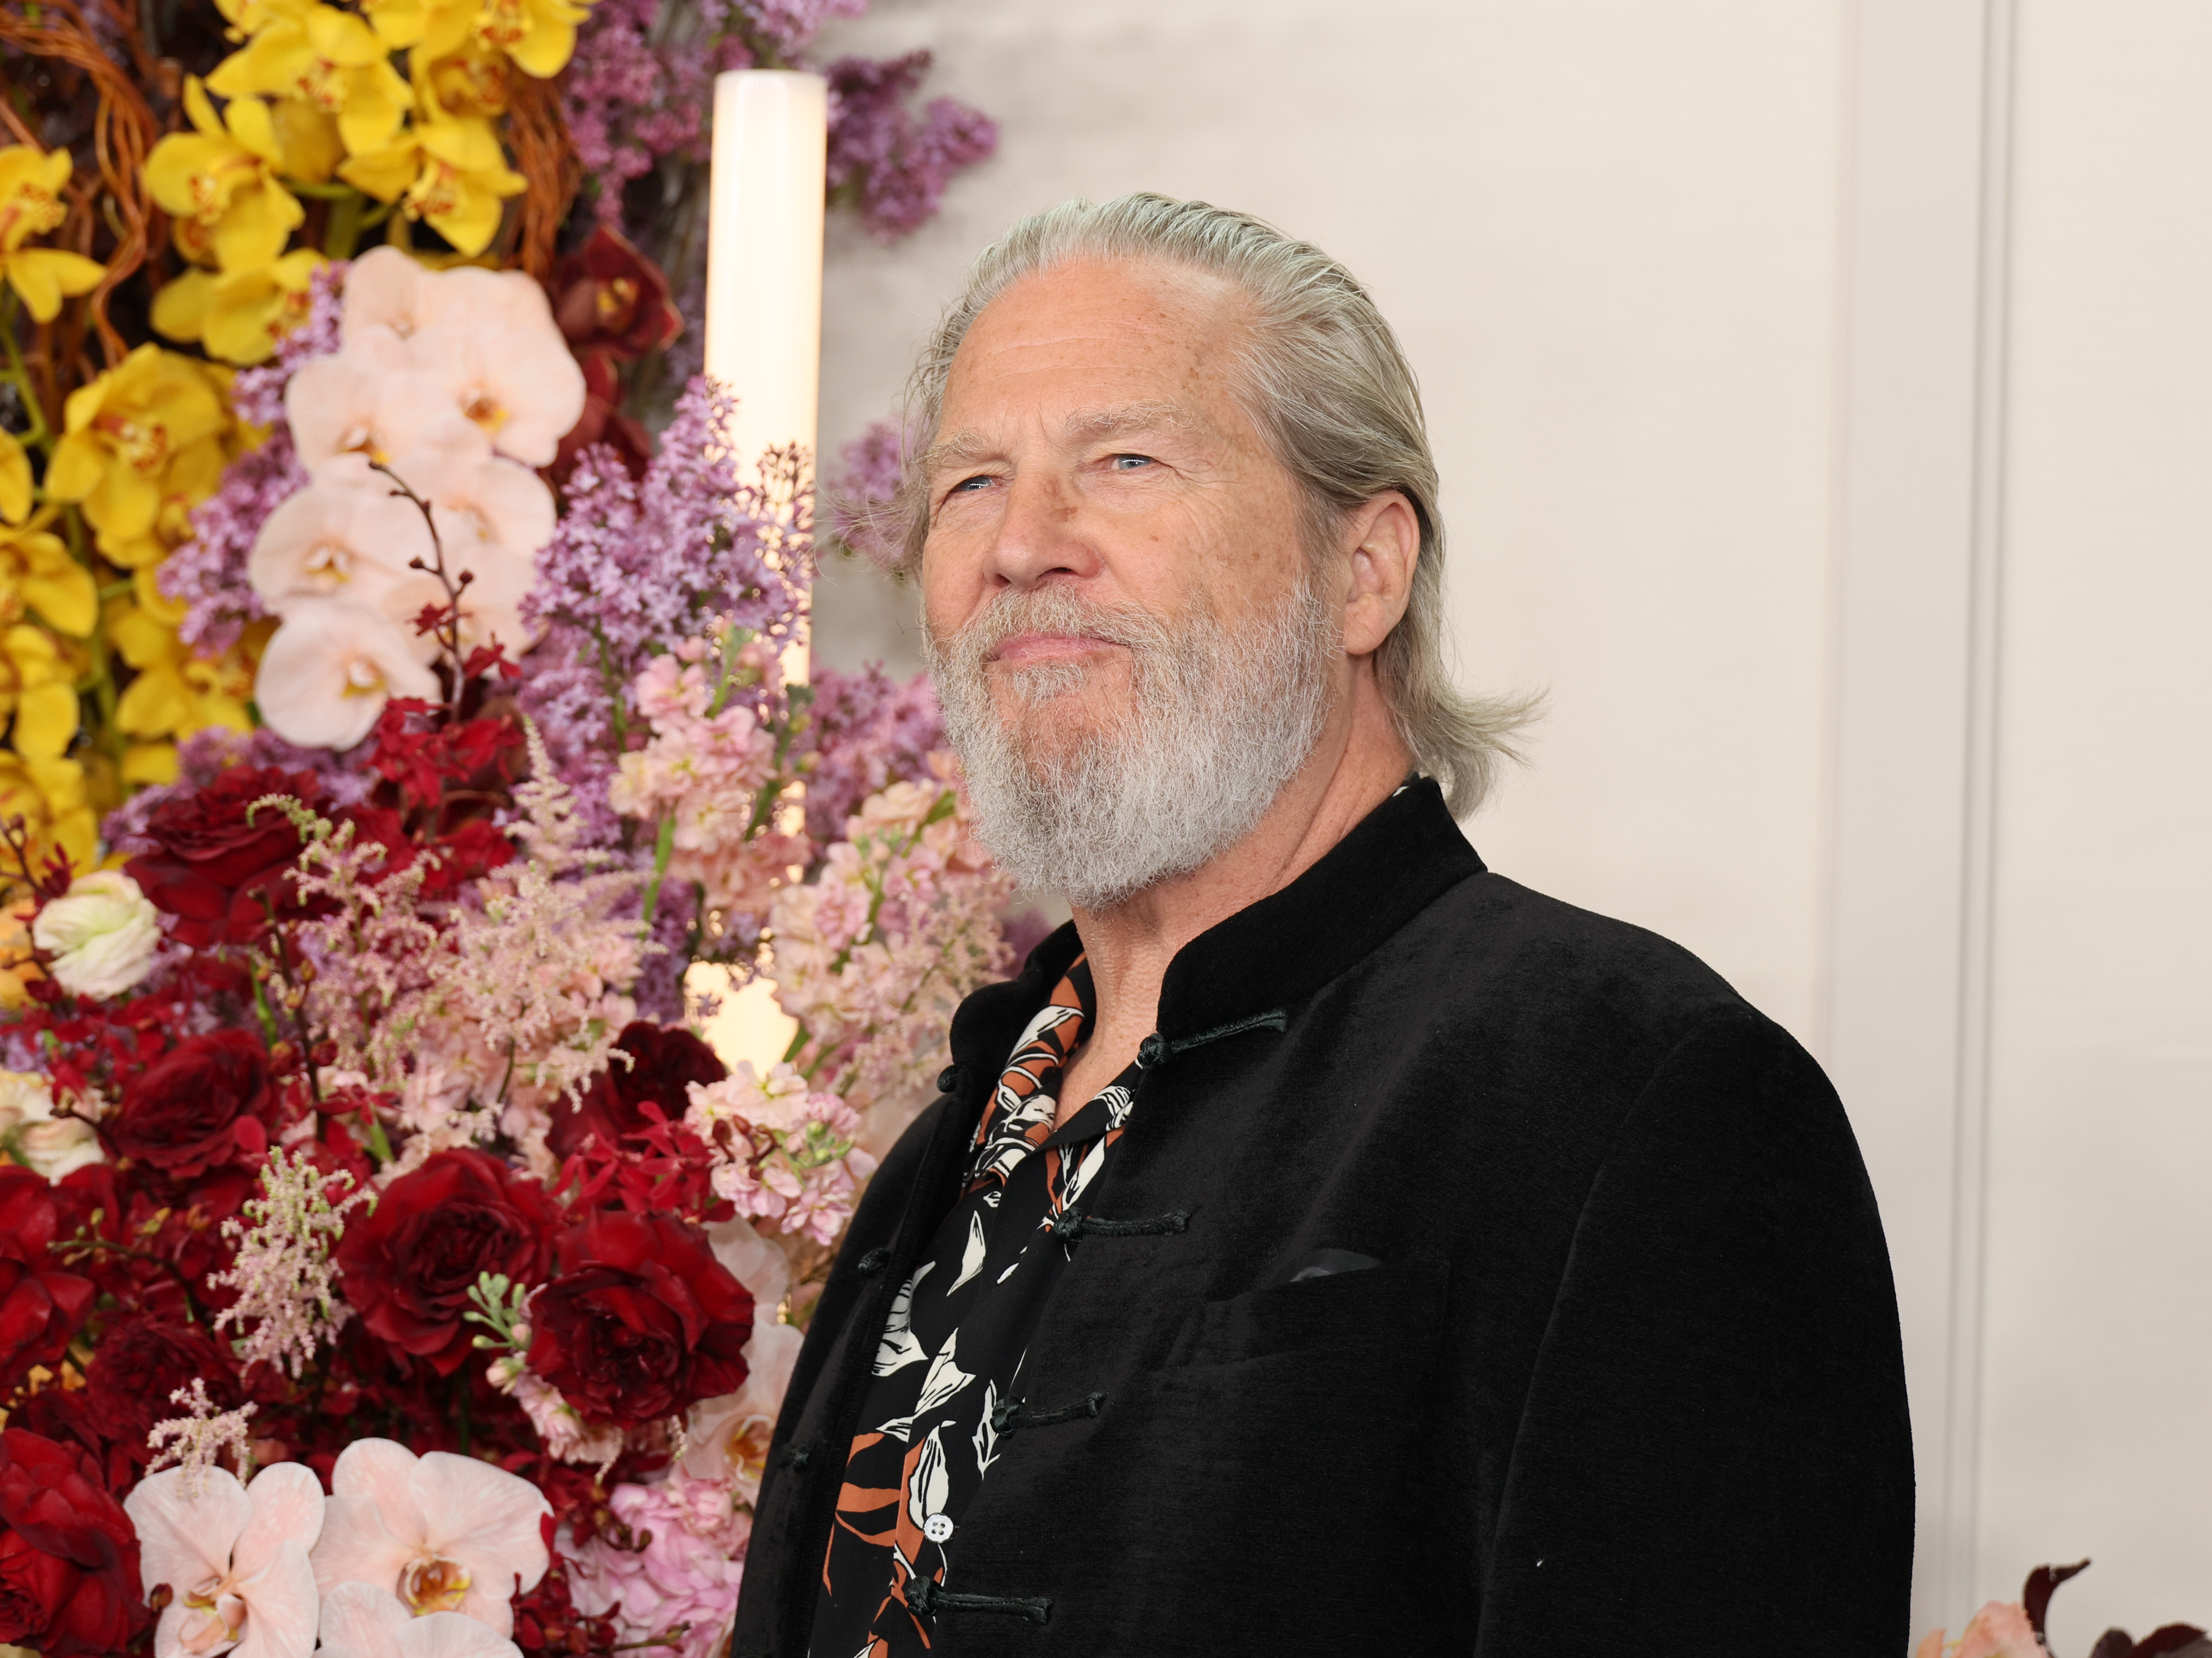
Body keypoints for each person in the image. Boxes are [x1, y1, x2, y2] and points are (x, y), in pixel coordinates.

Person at [731, 193, 1913, 1658]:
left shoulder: (1634, 1096)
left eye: (1125, 460)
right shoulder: (957, 1139)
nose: (1025, 543)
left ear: (1366, 571)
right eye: (972, 482)